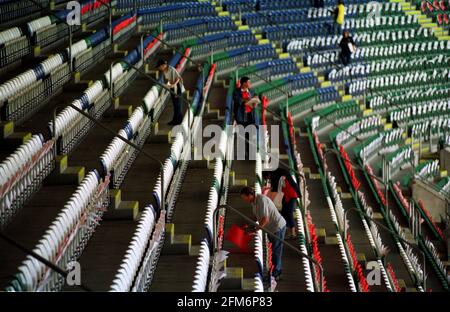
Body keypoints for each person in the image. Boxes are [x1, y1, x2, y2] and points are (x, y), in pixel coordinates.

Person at [240, 186, 286, 280]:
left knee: (276, 250)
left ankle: (276, 273)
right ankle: (275, 270)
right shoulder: (253, 202)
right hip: (270, 228)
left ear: (250, 195)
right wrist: (249, 225)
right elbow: (257, 217)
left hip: (277, 227)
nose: (244, 200)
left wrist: (254, 230)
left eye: (244, 198)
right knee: (275, 249)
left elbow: (265, 219)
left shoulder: (261, 200)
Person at [262, 168, 301, 240]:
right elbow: (274, 188)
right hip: (287, 193)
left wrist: (268, 203)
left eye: (267, 178)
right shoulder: (276, 173)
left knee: (288, 212)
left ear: (268, 175)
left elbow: (274, 192)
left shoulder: (274, 176)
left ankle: (293, 233)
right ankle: (287, 230)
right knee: (284, 212)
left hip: (291, 194)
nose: (268, 179)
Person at [233, 76, 260, 158]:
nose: (250, 84)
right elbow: (239, 101)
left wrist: (255, 101)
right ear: (244, 83)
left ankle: (250, 154)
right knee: (242, 134)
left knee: (250, 135)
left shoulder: (251, 91)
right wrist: (247, 100)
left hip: (250, 116)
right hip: (241, 116)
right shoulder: (236, 92)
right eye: (248, 82)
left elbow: (256, 98)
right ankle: (241, 153)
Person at [156, 59, 185, 125]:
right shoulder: (164, 72)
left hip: (178, 87)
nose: (159, 68)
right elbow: (167, 80)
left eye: (159, 67)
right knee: (175, 105)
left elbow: (178, 78)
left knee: (177, 105)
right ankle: (175, 120)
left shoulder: (171, 69)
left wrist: (174, 84)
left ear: (163, 65)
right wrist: (169, 84)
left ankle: (178, 121)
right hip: (172, 88)